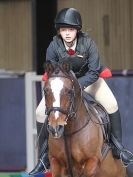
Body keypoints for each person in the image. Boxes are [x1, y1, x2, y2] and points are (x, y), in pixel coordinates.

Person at [29, 7, 133, 175]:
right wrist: (65, 85)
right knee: (40, 113)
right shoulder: (53, 46)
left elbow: (93, 72)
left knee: (112, 104)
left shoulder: (88, 43)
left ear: (77, 30)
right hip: (63, 85)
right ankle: (43, 157)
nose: (67, 33)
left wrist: (78, 85)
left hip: (89, 80)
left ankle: (118, 148)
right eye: (63, 30)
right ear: (59, 31)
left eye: (70, 29)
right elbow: (52, 71)